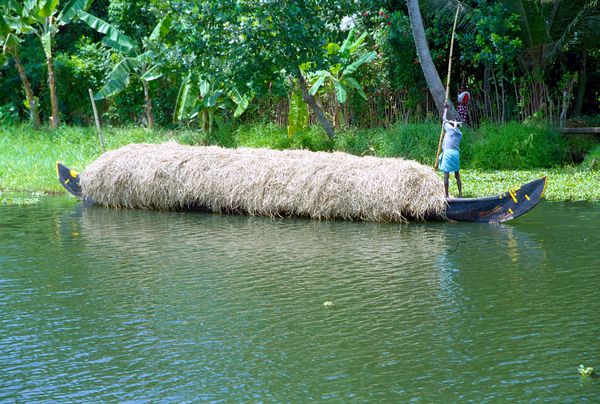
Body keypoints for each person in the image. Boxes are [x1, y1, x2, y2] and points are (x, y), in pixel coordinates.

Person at [438, 117, 463, 198]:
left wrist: (445, 109)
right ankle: (460, 194)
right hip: (456, 153)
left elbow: (444, 120)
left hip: (448, 153)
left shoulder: (450, 130)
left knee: (446, 175)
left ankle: (446, 195)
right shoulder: (459, 134)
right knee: (457, 174)